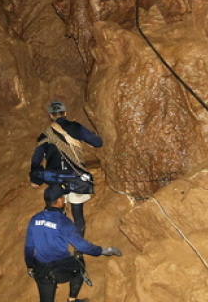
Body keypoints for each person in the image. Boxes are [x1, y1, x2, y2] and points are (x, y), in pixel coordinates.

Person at [24, 185, 123, 302]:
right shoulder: (63, 222)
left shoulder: (35, 219)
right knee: (79, 264)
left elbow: (29, 247)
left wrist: (31, 267)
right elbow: (81, 245)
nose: (65, 200)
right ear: (59, 201)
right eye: (63, 197)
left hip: (42, 272)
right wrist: (103, 251)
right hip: (60, 267)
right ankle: (71, 299)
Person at [30, 100, 102, 236]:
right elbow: (97, 142)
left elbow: (36, 159)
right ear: (65, 113)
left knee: (56, 214)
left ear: (51, 116)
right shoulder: (76, 128)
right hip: (75, 177)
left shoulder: (45, 134)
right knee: (77, 215)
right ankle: (78, 252)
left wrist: (35, 178)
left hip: (55, 178)